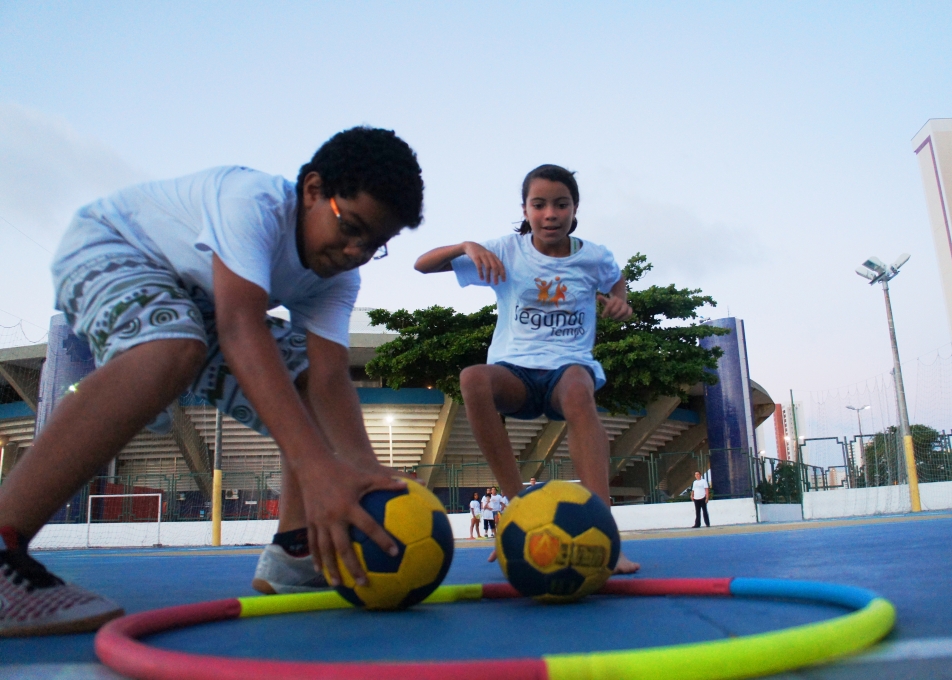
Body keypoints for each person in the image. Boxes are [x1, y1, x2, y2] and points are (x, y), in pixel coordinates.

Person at [0, 127, 425, 636]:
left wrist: (364, 474)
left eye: (375, 244)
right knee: (172, 349)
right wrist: (317, 469)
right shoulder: (255, 203)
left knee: (299, 372)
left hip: (199, 298)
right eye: (351, 227)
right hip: (112, 249)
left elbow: (330, 379)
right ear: (313, 190)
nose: (357, 251)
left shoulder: (337, 276)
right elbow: (240, 326)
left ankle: (295, 550)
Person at [414, 164, 639, 574]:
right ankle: (518, 508)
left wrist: (620, 300)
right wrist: (466, 246)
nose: (550, 213)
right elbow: (421, 265)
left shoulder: (593, 257)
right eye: (539, 205)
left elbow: (616, 279)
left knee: (576, 386)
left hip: (566, 371)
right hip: (515, 375)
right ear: (525, 209)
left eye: (561, 204)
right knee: (472, 377)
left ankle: (605, 533)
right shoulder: (505, 250)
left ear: (574, 210)